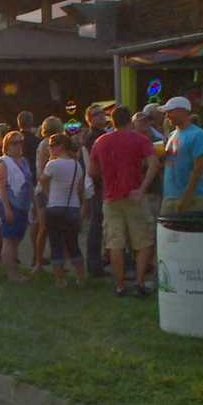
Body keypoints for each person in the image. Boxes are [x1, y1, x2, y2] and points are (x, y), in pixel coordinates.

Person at [89, 106, 160, 297]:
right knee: (144, 241)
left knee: (115, 243)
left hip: (111, 198)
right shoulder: (140, 139)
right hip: (134, 196)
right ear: (130, 120)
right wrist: (142, 188)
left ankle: (120, 285)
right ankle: (139, 283)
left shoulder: (100, 141)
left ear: (112, 121)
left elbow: (92, 171)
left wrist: (106, 177)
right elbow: (154, 163)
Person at [39, 134, 87, 288]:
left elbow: (43, 181)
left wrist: (49, 194)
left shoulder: (52, 165)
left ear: (60, 146)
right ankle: (81, 277)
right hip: (72, 207)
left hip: (54, 206)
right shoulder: (76, 165)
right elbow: (79, 188)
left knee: (56, 244)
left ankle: (60, 280)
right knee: (73, 244)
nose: (49, 148)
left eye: (52, 145)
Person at [0, 132, 33, 282]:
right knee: (9, 240)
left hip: (23, 205)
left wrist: (33, 204)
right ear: (7, 146)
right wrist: (7, 208)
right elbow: (1, 187)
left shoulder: (24, 161)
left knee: (17, 239)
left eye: (20, 142)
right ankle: (11, 274)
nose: (18, 145)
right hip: (9, 205)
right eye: (14, 143)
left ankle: (14, 270)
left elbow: (29, 184)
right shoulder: (3, 163)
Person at [159, 97, 203, 214]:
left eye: (170, 111)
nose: (167, 116)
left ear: (183, 111)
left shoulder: (198, 134)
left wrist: (185, 198)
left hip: (192, 199)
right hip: (169, 197)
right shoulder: (172, 135)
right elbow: (170, 162)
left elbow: (199, 168)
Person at [31, 116, 63, 272]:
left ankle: (45, 261)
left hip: (48, 189)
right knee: (44, 228)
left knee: (47, 228)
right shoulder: (46, 145)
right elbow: (42, 172)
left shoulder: (47, 144)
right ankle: (39, 262)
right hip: (46, 190)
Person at [83, 104, 109, 278]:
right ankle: (94, 265)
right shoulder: (94, 136)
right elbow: (98, 164)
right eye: (97, 114)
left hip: (100, 184)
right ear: (91, 119)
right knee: (96, 225)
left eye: (102, 113)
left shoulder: (101, 134)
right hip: (99, 184)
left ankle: (99, 261)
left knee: (100, 224)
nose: (102, 116)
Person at [132, 111, 165, 219]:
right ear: (134, 124)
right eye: (140, 121)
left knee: (154, 220)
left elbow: (161, 163)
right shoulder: (129, 141)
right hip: (134, 188)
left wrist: (147, 162)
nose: (144, 123)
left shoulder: (157, 140)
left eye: (146, 121)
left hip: (154, 188)